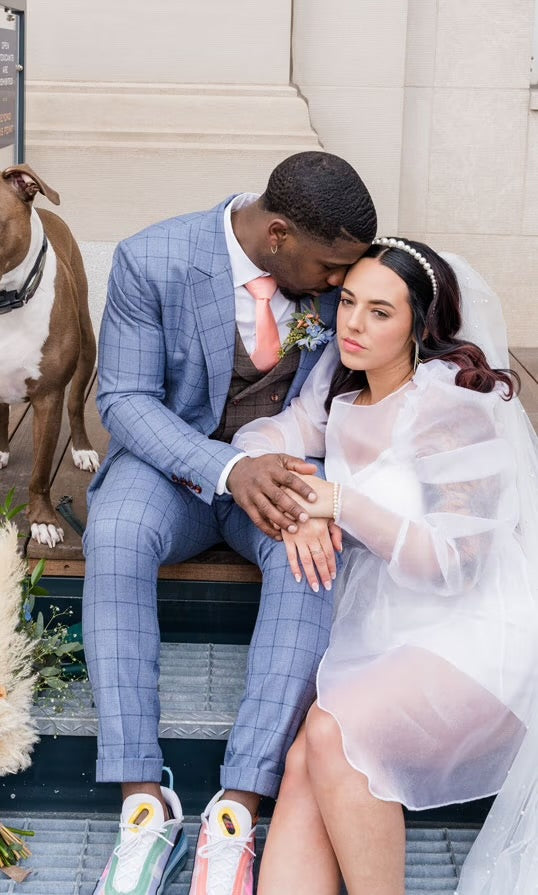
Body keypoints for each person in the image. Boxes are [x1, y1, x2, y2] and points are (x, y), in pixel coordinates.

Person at [83, 151, 378, 895]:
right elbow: (123, 400)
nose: (343, 284)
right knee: (114, 532)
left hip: (281, 469)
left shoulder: (330, 277)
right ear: (278, 233)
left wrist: (316, 493)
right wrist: (223, 469)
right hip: (169, 474)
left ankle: (236, 811)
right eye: (331, 266)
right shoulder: (151, 259)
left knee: (314, 550)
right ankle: (142, 804)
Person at [229, 238, 538, 895]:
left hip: (473, 637)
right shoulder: (341, 390)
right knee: (305, 756)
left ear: (419, 325)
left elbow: (455, 562)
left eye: (379, 312)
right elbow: (265, 438)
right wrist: (294, 492)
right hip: (385, 633)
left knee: (333, 734)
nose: (352, 325)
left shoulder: (453, 403)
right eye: (346, 304)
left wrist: (340, 502)